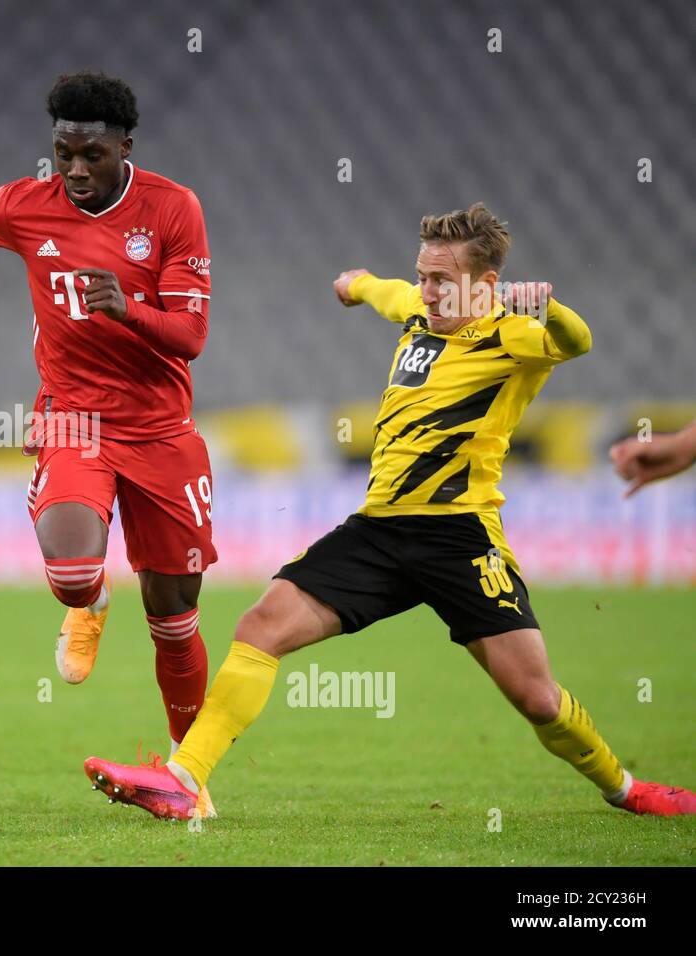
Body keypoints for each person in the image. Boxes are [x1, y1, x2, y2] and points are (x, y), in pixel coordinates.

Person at [84, 203, 696, 820]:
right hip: (378, 532)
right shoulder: (417, 309)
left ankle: (627, 789)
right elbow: (388, 292)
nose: (427, 291)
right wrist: (355, 285)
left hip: (460, 539)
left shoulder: (513, 334)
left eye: (441, 281)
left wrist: (547, 307)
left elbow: (578, 341)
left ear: (485, 287)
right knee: (260, 626)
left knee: (537, 698)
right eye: (423, 275)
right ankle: (184, 781)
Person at [0, 72, 219, 803]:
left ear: (125, 145)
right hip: (72, 417)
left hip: (160, 430)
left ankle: (189, 776)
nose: (75, 171)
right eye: (63, 153)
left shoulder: (173, 208)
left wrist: (127, 308)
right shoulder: (24, 206)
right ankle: (87, 605)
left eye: (92, 155)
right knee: (69, 573)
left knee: (174, 617)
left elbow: (190, 336)